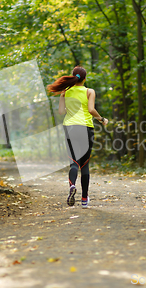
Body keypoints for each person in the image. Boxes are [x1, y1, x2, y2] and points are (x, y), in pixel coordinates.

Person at [47, 66, 108, 208]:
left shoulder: (65, 92)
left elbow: (61, 112)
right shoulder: (89, 91)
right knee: (84, 164)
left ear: (73, 77)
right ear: (85, 78)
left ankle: (72, 185)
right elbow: (91, 109)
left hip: (70, 128)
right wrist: (102, 119)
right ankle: (85, 200)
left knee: (74, 162)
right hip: (86, 128)